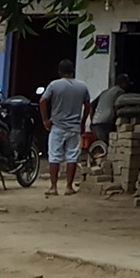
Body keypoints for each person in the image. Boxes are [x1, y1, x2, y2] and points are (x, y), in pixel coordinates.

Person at [39, 65, 91, 194]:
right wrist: (83, 122)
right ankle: (69, 187)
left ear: (59, 72)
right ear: (73, 71)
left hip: (57, 126)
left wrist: (45, 120)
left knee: (54, 157)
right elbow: (88, 105)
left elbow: (43, 101)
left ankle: (53, 187)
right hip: (74, 127)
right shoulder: (82, 86)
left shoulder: (54, 85)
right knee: (72, 157)